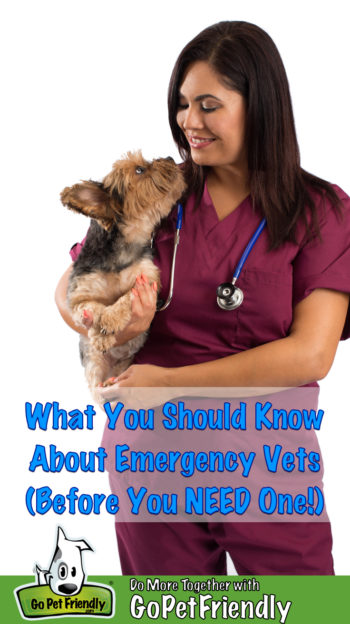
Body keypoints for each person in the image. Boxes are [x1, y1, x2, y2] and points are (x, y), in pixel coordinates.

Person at [56, 21, 350, 575]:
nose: (189, 121)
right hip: (151, 458)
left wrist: (167, 384)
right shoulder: (159, 191)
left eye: (209, 105)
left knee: (306, 609)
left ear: (259, 106)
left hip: (268, 467)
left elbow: (312, 354)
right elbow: (72, 289)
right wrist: (107, 323)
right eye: (183, 104)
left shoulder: (321, 211)